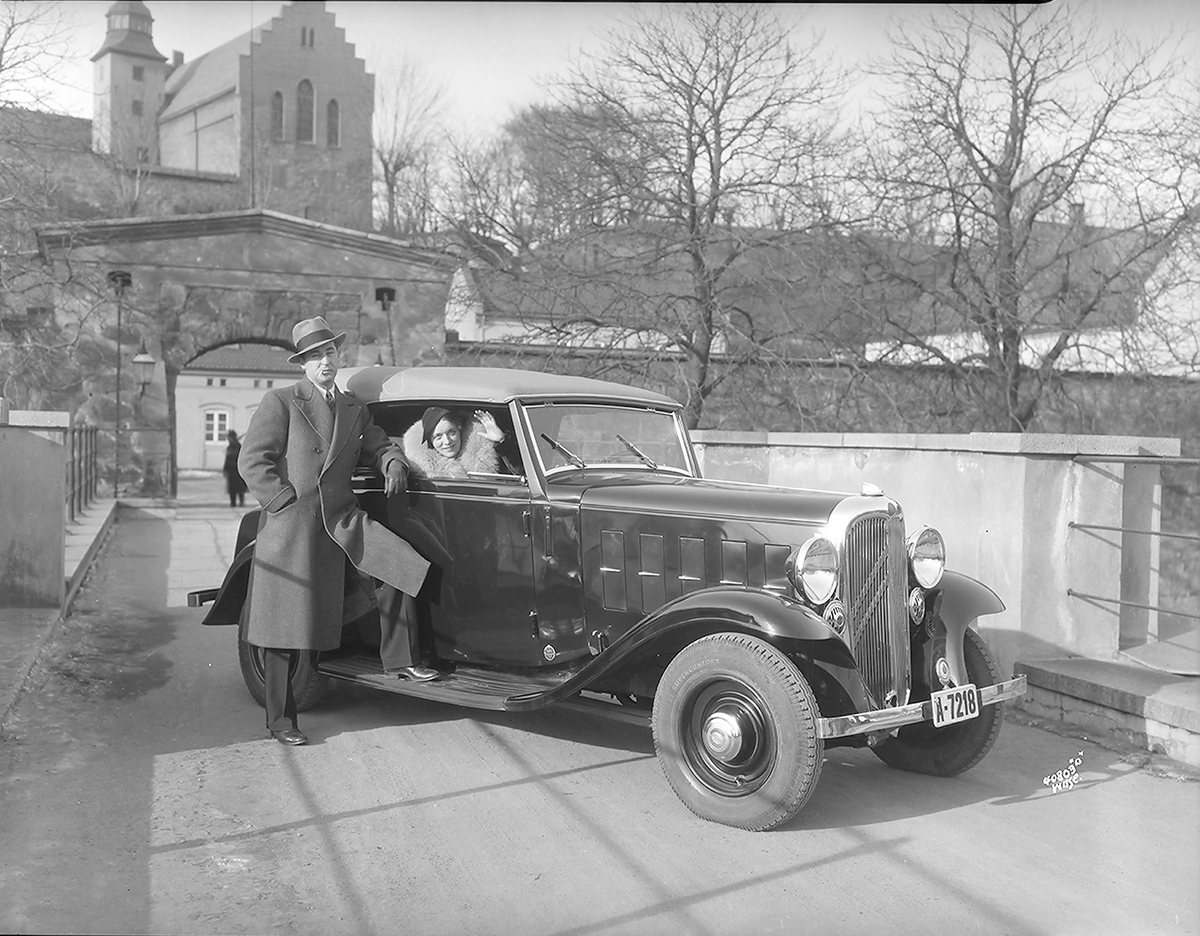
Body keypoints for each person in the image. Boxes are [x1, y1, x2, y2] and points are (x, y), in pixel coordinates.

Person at [238, 316, 437, 747]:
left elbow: (379, 443)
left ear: (337, 357)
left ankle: (399, 662)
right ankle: (280, 721)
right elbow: (252, 460)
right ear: (303, 366)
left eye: (329, 352)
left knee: (399, 563)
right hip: (292, 526)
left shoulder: (353, 408)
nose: (324, 361)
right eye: (314, 356)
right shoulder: (282, 402)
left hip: (342, 518)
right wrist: (282, 503)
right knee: (283, 628)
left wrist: (392, 461)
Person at [402, 406, 505, 478]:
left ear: (459, 430)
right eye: (438, 437)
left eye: (451, 432)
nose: (447, 441)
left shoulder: (485, 456)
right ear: (430, 441)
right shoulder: (419, 473)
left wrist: (501, 441)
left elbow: (517, 475)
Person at [222, 429, 247, 507]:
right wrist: (225, 469)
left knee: (239, 488)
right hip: (231, 470)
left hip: (238, 470)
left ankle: (241, 502)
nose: (228, 439)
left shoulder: (239, 447)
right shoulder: (230, 447)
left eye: (229, 437)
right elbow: (227, 459)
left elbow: (243, 458)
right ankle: (233, 502)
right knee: (232, 488)